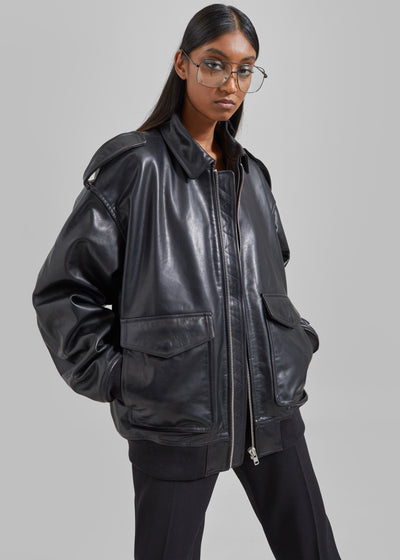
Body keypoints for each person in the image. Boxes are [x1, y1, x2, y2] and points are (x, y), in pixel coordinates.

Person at [32, 3, 343, 559]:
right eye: (214, 64)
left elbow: (271, 281)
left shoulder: (252, 177)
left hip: (272, 412)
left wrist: (297, 341)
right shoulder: (136, 168)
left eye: (244, 69)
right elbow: (63, 291)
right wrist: (127, 378)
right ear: (182, 64)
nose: (231, 83)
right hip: (175, 420)